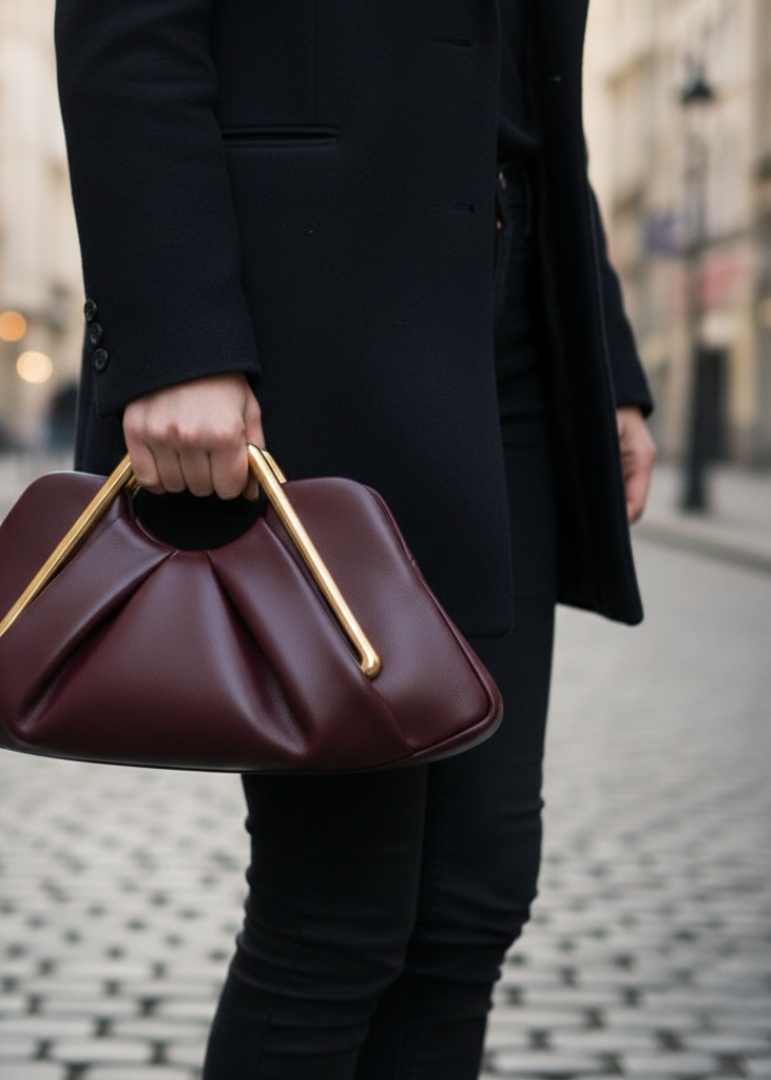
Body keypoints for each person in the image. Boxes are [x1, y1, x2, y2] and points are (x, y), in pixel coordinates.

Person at [54, 1, 657, 1076]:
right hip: (317, 316)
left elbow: (534, 82)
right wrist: (176, 333)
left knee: (473, 899)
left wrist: (601, 353)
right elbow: (132, 27)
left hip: (517, 320)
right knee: (335, 915)